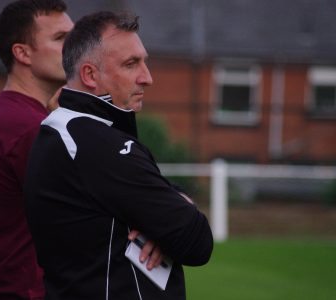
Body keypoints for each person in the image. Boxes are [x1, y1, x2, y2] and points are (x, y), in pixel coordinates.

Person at [24, 11, 214, 300]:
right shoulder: (94, 142)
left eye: (144, 61)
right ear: (90, 75)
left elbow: (160, 195)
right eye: (131, 64)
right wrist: (168, 221)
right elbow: (197, 242)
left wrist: (166, 213)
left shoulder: (68, 129)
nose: (147, 78)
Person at [0, 1, 74, 298]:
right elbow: (94, 216)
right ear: (22, 53)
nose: (75, 47)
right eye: (60, 38)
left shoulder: (3, 116)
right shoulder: (26, 127)